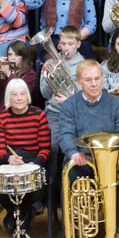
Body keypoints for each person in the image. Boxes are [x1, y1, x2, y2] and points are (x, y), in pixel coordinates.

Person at [57, 60, 119, 238]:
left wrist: (115, 157)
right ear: (79, 81)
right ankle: (71, 234)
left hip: (109, 160)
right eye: (88, 80)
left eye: (97, 78)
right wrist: (73, 153)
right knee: (68, 173)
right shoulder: (70, 105)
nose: (94, 84)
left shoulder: (115, 103)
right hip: (82, 160)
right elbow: (64, 133)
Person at [0, 78, 50, 237]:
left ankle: (21, 215)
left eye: (22, 94)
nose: (18, 98)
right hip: (11, 161)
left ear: (27, 96)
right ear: (8, 98)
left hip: (33, 159)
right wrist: (9, 159)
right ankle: (17, 212)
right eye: (14, 94)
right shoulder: (0, 118)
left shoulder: (39, 115)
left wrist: (35, 163)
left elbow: (45, 148)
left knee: (35, 188)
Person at [40, 26, 85, 155]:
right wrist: (47, 77)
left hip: (76, 114)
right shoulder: (50, 63)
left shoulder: (84, 65)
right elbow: (44, 94)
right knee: (51, 146)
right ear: (58, 44)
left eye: (70, 44)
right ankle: (51, 176)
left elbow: (87, 96)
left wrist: (68, 101)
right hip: (54, 113)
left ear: (78, 44)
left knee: (74, 147)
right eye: (63, 44)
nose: (66, 48)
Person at [0, 40, 38, 116]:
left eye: (17, 55)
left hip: (20, 114)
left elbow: (20, 92)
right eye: (10, 54)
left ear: (24, 56)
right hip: (1, 114)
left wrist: (9, 74)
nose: (12, 58)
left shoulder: (30, 74)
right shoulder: (5, 69)